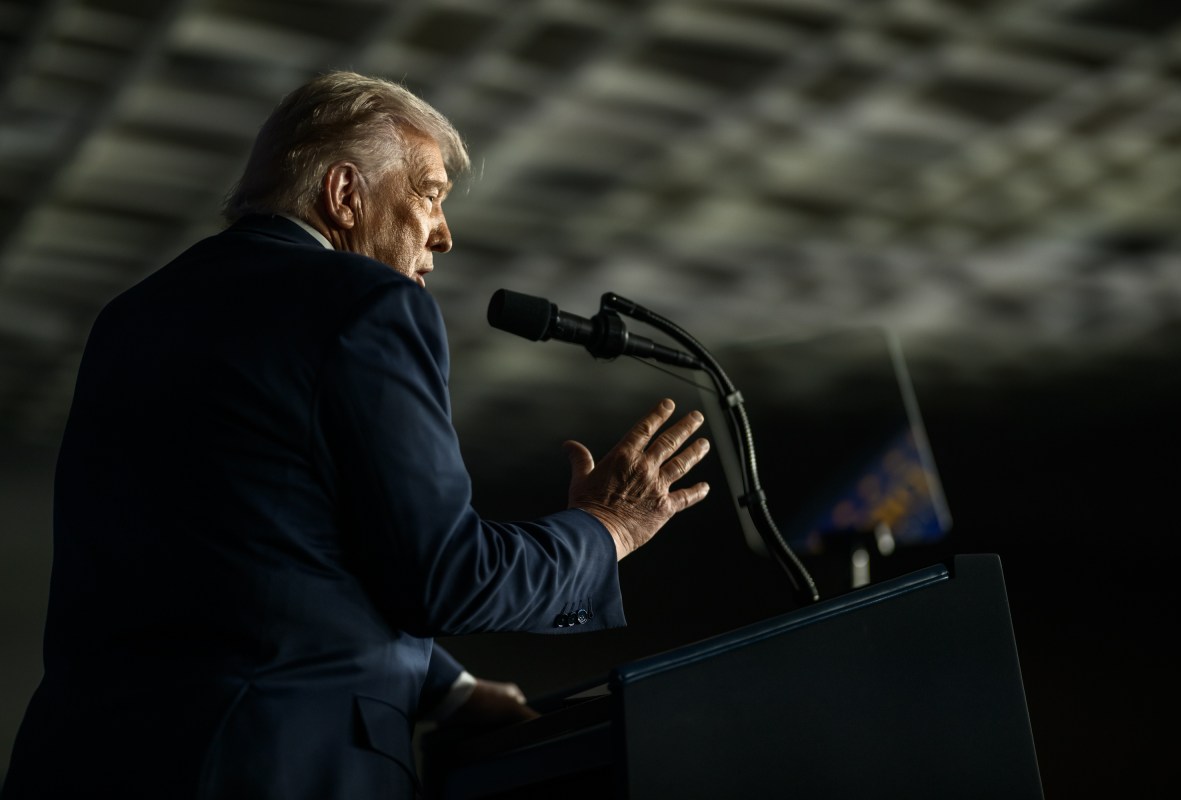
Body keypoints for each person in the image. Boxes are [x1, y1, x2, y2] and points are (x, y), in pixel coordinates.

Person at [1, 71, 709, 799]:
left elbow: (243, 550)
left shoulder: (131, 317)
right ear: (345, 195)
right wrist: (605, 528)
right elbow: (446, 578)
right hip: (269, 769)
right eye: (428, 194)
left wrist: (447, 688)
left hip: (75, 765)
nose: (444, 232)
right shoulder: (367, 304)